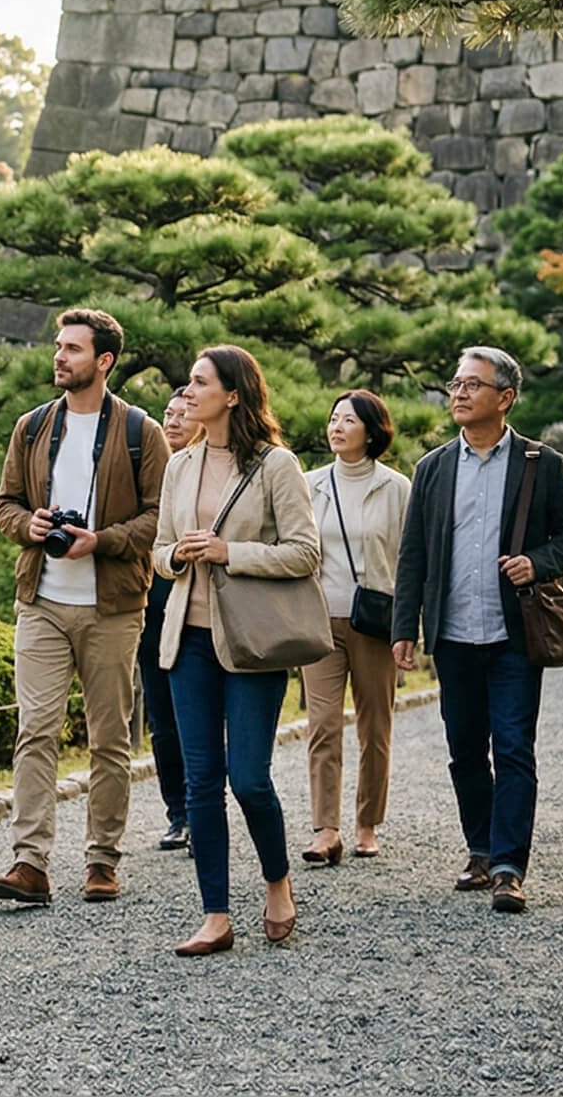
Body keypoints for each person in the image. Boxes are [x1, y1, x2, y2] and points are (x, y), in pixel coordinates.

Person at [391, 347, 563, 915]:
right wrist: (405, 627)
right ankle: (479, 849)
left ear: (504, 398)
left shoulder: (540, 464)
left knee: (514, 747)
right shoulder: (432, 468)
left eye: (472, 385)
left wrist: (537, 562)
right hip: (453, 635)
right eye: (455, 383)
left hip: (513, 635)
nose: (458, 393)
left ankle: (508, 867)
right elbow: (413, 554)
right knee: (464, 750)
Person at [0, 308, 170, 906]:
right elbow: (5, 503)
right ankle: (29, 862)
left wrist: (103, 540)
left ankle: (102, 859)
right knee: (34, 732)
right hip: (41, 599)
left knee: (109, 739)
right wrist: (30, 526)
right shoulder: (34, 426)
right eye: (58, 346)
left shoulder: (141, 431)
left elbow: (160, 516)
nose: (59, 356)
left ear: (103, 360)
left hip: (112, 606)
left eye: (72, 349)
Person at [155, 345, 320, 956]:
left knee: (248, 778)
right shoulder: (179, 464)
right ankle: (216, 915)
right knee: (201, 782)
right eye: (188, 382)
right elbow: (159, 549)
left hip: (252, 641)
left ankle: (277, 881)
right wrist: (177, 555)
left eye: (199, 383)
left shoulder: (277, 465)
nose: (187, 392)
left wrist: (231, 553)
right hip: (188, 639)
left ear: (232, 395)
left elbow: (305, 552)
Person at [300, 390, 409, 866]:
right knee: (322, 725)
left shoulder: (397, 488)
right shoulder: (308, 484)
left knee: (375, 727)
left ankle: (367, 823)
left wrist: (409, 628)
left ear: (371, 431)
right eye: (333, 418)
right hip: (318, 621)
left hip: (376, 622)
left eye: (348, 420)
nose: (337, 427)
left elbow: (410, 560)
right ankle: (326, 829)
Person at [138, 389, 198, 852]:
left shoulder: (211, 471)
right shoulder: (145, 471)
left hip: (198, 602)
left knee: (199, 714)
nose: (173, 421)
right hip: (150, 599)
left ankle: (202, 809)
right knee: (161, 715)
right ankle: (177, 811)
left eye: (184, 414)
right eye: (168, 413)